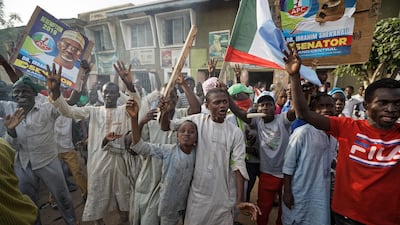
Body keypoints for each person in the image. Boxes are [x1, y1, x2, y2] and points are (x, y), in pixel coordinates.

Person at [284, 42, 400, 225]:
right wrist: (294, 76)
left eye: (397, 104)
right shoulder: (347, 127)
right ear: (366, 105)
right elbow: (304, 113)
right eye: (383, 103)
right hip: (348, 217)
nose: (391, 109)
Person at [46, 61, 140, 225]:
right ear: (101, 95)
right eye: (105, 93)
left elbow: (138, 105)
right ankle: (99, 222)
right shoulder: (93, 111)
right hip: (98, 161)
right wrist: (55, 93)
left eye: (112, 93)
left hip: (121, 162)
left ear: (119, 95)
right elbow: (68, 111)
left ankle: (125, 219)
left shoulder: (124, 110)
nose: (108, 96)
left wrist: (129, 84)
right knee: (97, 193)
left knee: (123, 195)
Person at [160, 87, 260, 224]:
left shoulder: (235, 132)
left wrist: (240, 200)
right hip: (198, 196)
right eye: (217, 102)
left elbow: (239, 166)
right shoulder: (198, 121)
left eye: (225, 102)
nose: (223, 105)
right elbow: (167, 126)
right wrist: (164, 113)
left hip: (224, 196)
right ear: (207, 106)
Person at [3, 76, 77, 225]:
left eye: (25, 91)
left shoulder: (46, 108)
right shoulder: (7, 108)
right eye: (17, 92)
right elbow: (10, 146)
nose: (20, 95)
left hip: (47, 161)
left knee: (62, 196)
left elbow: (70, 103)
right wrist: (10, 131)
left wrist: (58, 91)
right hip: (22, 164)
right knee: (28, 201)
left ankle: (71, 221)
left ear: (34, 94)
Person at [130, 73, 201, 225]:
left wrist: (183, 85)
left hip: (174, 176)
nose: (170, 98)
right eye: (166, 95)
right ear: (160, 98)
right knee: (148, 213)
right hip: (153, 171)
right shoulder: (152, 117)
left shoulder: (182, 116)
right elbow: (138, 143)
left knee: (170, 214)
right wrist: (140, 122)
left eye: (174, 95)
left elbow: (196, 109)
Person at [230, 90, 296, 225]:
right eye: (262, 105)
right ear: (257, 108)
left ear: (275, 107)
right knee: (263, 209)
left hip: (286, 175)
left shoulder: (282, 119)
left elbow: (296, 110)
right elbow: (238, 112)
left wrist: (295, 90)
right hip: (266, 173)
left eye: (269, 104)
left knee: (285, 210)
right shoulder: (257, 121)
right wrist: (225, 93)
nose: (265, 108)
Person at [282, 93, 337, 225]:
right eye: (321, 106)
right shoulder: (302, 133)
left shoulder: (335, 134)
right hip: (300, 192)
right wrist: (287, 192)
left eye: (330, 105)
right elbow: (288, 166)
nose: (326, 110)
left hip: (321, 194)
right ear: (312, 111)